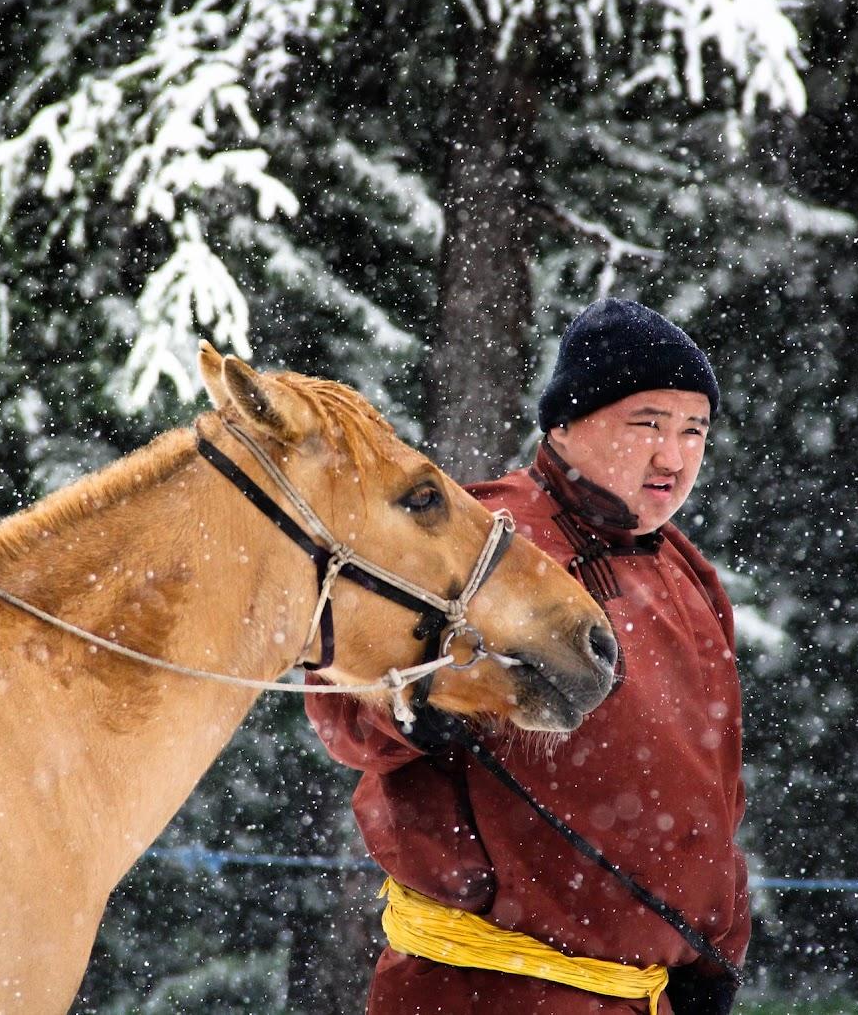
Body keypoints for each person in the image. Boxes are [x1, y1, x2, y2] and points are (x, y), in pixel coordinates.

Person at [307, 298, 748, 1015]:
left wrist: (716, 947)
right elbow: (335, 696)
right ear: (566, 423)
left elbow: (719, 786)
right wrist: (411, 710)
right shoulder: (487, 538)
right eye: (648, 425)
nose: (674, 455)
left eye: (693, 430)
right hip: (484, 991)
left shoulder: (689, 574)